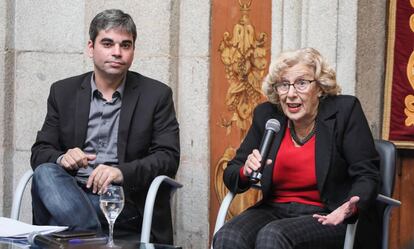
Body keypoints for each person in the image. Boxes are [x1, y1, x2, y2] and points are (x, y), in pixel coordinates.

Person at [30, 9, 180, 244]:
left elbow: (168, 158)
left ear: (133, 51)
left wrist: (121, 172)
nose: (117, 52)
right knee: (45, 173)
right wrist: (63, 158)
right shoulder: (63, 92)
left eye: (125, 45)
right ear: (91, 48)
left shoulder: (156, 95)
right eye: (108, 43)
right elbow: (40, 152)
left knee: (57, 213)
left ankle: (82, 237)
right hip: (69, 193)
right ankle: (92, 237)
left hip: (121, 203)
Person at [213, 47, 380, 249]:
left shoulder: (345, 111)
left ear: (319, 88)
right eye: (283, 85)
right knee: (228, 236)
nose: (291, 94)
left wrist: (350, 207)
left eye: (301, 83)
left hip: (329, 213)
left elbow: (367, 174)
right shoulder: (268, 115)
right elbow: (232, 172)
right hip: (274, 209)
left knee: (272, 236)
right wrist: (245, 171)